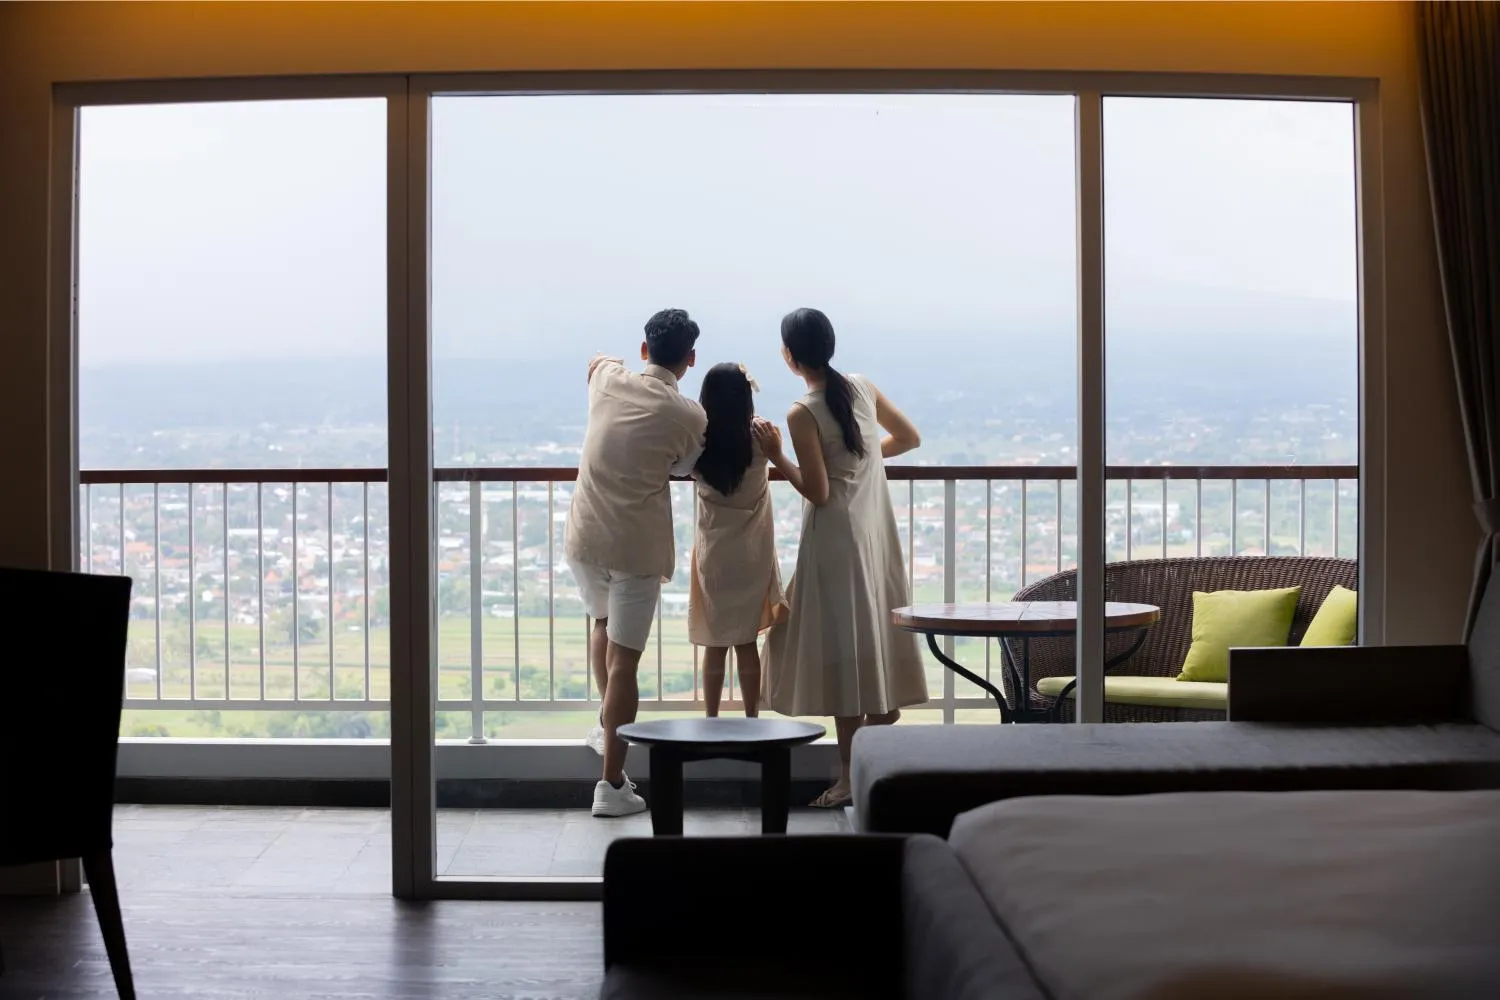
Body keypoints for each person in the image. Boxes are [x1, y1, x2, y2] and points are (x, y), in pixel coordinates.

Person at [757, 307, 928, 809]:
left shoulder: (801, 411)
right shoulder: (861, 387)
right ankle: (878, 726)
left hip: (835, 540)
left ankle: (851, 775)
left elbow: (817, 490)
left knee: (840, 649)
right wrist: (864, 461)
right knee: (866, 634)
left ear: (789, 357)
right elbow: (909, 438)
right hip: (874, 531)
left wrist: (775, 455)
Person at [566, 308, 707, 818]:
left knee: (603, 625)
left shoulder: (607, 379)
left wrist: (611, 361)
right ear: (690, 360)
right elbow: (685, 466)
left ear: (645, 349)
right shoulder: (690, 416)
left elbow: (595, 360)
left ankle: (608, 731)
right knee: (625, 659)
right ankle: (611, 786)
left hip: (585, 533)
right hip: (635, 544)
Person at [688, 362, 788, 718]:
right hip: (752, 553)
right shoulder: (762, 438)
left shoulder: (698, 443)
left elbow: (677, 462)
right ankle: (751, 719)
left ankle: (711, 719)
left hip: (713, 553)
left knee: (715, 645)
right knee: (747, 642)